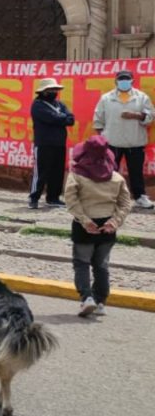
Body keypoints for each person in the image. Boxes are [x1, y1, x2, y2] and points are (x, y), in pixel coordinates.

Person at [64, 135, 133, 318]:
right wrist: (114, 222)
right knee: (101, 266)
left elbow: (71, 201)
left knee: (81, 263)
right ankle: (101, 302)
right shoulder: (117, 178)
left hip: (84, 226)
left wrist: (85, 220)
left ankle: (87, 298)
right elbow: (126, 204)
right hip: (108, 227)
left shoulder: (76, 176)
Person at [92, 69, 155, 209]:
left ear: (132, 81)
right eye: (121, 79)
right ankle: (108, 198)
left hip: (135, 141)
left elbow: (151, 115)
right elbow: (98, 119)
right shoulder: (106, 98)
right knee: (110, 171)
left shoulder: (141, 97)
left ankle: (140, 197)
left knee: (136, 171)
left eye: (127, 79)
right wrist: (102, 138)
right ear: (116, 81)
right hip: (112, 141)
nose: (124, 81)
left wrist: (136, 115)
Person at [29, 78, 75, 210]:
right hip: (43, 143)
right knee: (41, 172)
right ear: (44, 91)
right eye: (51, 90)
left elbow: (71, 119)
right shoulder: (37, 105)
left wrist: (60, 118)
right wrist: (62, 118)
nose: (54, 92)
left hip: (59, 143)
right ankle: (34, 198)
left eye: (56, 89)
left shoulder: (60, 104)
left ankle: (53, 198)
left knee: (57, 172)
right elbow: (51, 118)